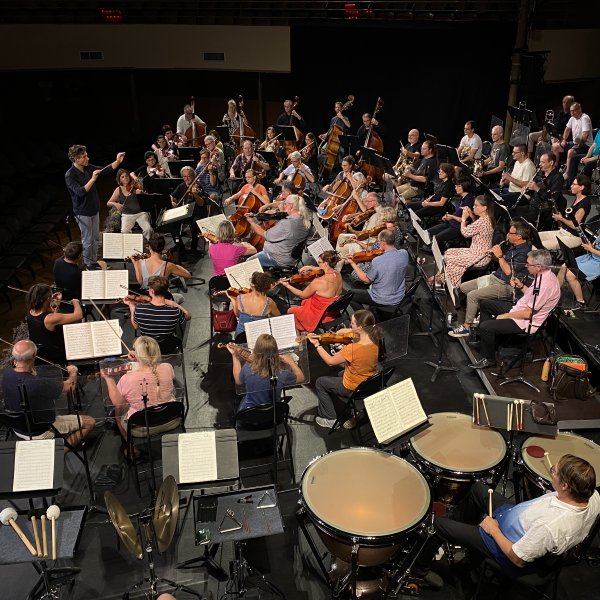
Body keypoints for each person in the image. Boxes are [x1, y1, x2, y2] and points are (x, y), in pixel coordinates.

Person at [416, 455, 599, 581]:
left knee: (434, 524)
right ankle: (467, 547)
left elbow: (517, 558)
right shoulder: (593, 497)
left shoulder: (550, 527)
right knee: (478, 489)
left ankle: (418, 571)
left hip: (508, 547)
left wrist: (493, 530)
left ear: (565, 486)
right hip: (517, 519)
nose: (552, 470)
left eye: (555, 472)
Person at [469, 249, 560, 369]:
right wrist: (521, 286)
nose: (526, 266)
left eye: (529, 264)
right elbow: (532, 297)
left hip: (526, 321)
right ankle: (488, 343)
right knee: (485, 303)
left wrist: (506, 316)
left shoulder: (545, 285)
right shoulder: (543, 274)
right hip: (520, 308)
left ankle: (489, 359)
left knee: (486, 327)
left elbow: (528, 314)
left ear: (538, 266)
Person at [2, 340, 94, 448]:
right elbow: (70, 386)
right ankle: (61, 452)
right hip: (40, 431)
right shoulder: (38, 383)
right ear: (33, 355)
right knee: (90, 422)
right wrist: (73, 371)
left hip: (18, 428)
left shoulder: (5, 374)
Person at [449, 220, 531, 338]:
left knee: (473, 295)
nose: (507, 234)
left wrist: (499, 255)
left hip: (506, 285)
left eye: (510, 233)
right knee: (463, 287)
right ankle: (477, 315)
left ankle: (467, 327)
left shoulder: (524, 253)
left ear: (519, 237)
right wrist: (494, 258)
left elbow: (509, 272)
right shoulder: (513, 246)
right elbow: (504, 264)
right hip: (496, 277)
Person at [309, 310, 379, 428]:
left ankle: (330, 418)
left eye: (352, 324)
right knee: (341, 372)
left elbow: (330, 362)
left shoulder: (353, 348)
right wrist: (346, 331)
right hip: (369, 380)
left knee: (320, 382)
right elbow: (356, 333)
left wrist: (317, 345)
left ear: (360, 327)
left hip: (353, 385)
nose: (350, 326)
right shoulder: (375, 337)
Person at [101, 335, 176, 445]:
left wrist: (108, 379)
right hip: (171, 419)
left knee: (118, 411)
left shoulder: (127, 379)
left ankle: (131, 449)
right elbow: (153, 372)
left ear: (138, 354)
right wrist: (139, 360)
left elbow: (117, 403)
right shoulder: (167, 367)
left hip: (143, 427)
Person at [65, 144, 125, 269]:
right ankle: (88, 264)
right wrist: (92, 179)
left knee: (96, 238)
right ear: (76, 160)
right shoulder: (70, 175)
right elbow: (80, 192)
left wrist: (117, 161)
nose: (88, 158)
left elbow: (105, 170)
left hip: (94, 209)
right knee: (87, 240)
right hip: (83, 212)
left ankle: (93, 260)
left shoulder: (88, 168)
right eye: (84, 156)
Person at [227, 333, 304, 412]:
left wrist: (234, 356)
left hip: (250, 413)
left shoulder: (247, 367)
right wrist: (291, 363)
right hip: (273, 414)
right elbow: (301, 378)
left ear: (256, 350)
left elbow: (238, 381)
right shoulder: (282, 373)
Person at [437, 195, 495, 289]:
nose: (473, 207)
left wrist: (464, 219)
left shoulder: (484, 221)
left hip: (479, 256)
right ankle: (443, 279)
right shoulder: (486, 218)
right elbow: (477, 226)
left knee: (452, 260)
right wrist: (471, 215)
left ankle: (450, 285)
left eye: (476, 206)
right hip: (474, 251)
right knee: (449, 252)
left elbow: (465, 233)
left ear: (484, 208)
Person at [279, 250, 343, 333]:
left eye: (320, 262)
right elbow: (323, 269)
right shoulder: (338, 274)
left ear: (326, 264)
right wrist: (311, 267)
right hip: (332, 310)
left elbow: (302, 295)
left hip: (319, 314)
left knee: (290, 311)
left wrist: (287, 285)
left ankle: (301, 332)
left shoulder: (318, 282)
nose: (318, 264)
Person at [125, 276, 191, 352]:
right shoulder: (175, 311)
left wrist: (131, 306)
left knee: (135, 340)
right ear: (166, 290)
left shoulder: (139, 309)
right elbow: (188, 316)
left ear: (152, 292)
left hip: (148, 347)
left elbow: (135, 326)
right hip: (168, 347)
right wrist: (174, 304)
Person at [348, 229, 409, 310]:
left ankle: (363, 318)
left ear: (383, 242)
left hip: (382, 299)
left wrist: (353, 263)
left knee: (350, 295)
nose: (378, 243)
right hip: (399, 296)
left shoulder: (378, 260)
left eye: (379, 241)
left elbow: (366, 280)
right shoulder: (404, 253)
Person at [246, 194, 311, 269]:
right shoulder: (305, 220)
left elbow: (265, 234)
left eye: (285, 204)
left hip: (277, 259)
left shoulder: (286, 224)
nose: (283, 205)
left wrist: (251, 222)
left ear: (291, 206)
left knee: (249, 262)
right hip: (292, 259)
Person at [26, 283, 84, 365]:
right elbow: (78, 315)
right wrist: (76, 302)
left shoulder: (31, 311)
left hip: (39, 349)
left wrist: (55, 303)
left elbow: (52, 316)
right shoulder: (50, 318)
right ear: (48, 299)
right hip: (54, 353)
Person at [347, 208, 404, 284]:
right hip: (391, 258)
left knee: (354, 274)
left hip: (379, 260)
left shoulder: (384, 233)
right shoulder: (397, 229)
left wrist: (358, 242)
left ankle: (365, 282)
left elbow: (371, 249)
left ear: (384, 218)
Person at [514, 152, 565, 232]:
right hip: (532, 205)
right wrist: (527, 190)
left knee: (516, 218)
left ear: (551, 163)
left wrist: (537, 189)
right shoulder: (540, 174)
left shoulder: (558, 178)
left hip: (542, 210)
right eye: (540, 161)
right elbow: (533, 192)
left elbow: (552, 198)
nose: (540, 164)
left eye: (543, 162)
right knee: (511, 212)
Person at [539, 174, 591, 251]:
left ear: (581, 187)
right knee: (537, 236)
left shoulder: (584, 204)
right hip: (564, 232)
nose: (571, 186)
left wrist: (561, 219)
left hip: (572, 237)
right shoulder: (578, 198)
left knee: (542, 245)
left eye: (574, 184)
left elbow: (574, 225)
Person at [422, 177, 475, 252]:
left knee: (435, 239)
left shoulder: (469, 200)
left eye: (457, 186)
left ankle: (439, 249)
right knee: (427, 232)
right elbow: (457, 213)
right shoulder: (462, 197)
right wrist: (448, 216)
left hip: (457, 228)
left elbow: (465, 221)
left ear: (464, 187)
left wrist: (452, 217)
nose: (455, 188)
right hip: (450, 223)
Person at [335, 191, 383, 267]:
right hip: (365, 237)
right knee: (341, 236)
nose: (365, 204)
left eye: (367, 202)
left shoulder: (376, 215)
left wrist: (351, 230)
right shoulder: (374, 210)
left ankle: (337, 267)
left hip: (368, 243)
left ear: (374, 202)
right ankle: (340, 259)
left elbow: (366, 234)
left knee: (343, 248)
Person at [228, 272, 280, 339]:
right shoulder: (269, 302)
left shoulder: (240, 298)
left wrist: (233, 299)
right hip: (259, 338)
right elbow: (278, 317)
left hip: (240, 336)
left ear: (252, 285)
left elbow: (238, 315)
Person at [557, 232, 600, 310]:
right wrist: (590, 246)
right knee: (564, 266)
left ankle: (580, 303)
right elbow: (596, 245)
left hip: (597, 264)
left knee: (570, 275)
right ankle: (554, 291)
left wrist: (591, 249)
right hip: (590, 257)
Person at [170, 165, 207, 255]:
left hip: (197, 212)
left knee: (195, 224)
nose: (186, 178)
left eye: (189, 176)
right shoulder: (181, 186)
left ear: (193, 176)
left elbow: (201, 203)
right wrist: (172, 201)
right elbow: (172, 196)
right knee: (171, 223)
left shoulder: (198, 186)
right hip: (185, 212)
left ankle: (194, 248)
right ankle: (179, 245)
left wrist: (195, 194)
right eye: (184, 176)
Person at [106, 168, 153, 239]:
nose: (125, 178)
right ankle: (129, 245)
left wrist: (140, 194)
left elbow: (146, 196)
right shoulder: (118, 189)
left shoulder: (135, 185)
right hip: (127, 215)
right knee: (124, 231)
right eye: (123, 177)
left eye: (126, 176)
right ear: (119, 180)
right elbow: (108, 203)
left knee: (148, 229)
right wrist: (116, 204)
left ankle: (148, 244)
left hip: (141, 213)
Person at [552, 102, 593, 183]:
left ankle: (567, 174)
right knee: (555, 146)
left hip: (585, 145)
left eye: (574, 111)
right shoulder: (572, 118)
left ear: (579, 110)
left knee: (571, 152)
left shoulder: (585, 118)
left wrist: (578, 145)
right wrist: (564, 140)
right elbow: (567, 129)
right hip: (574, 143)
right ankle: (554, 168)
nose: (572, 113)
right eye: (571, 111)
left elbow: (585, 135)